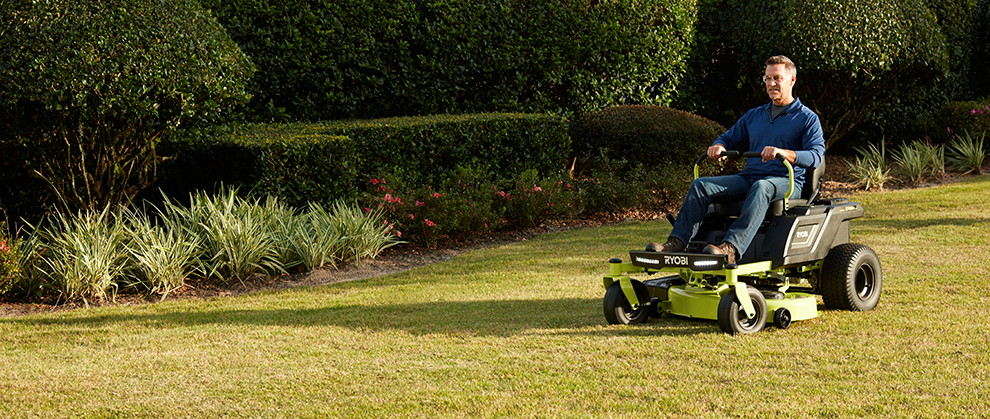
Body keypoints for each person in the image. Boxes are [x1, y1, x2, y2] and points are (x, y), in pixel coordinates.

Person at [647, 55, 826, 264]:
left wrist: (783, 152)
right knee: (701, 185)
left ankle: (731, 248)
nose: (771, 84)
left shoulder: (807, 118)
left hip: (786, 182)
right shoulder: (754, 115)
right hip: (749, 177)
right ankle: (677, 243)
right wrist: (719, 146)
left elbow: (815, 155)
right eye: (767, 79)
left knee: (762, 187)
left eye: (777, 78)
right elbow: (729, 138)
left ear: (792, 80)